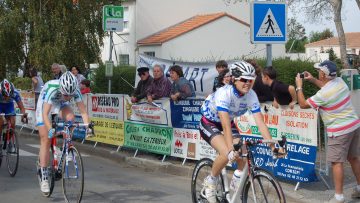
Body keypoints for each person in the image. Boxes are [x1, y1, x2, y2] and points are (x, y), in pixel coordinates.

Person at [200, 61, 277, 203]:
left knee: (241, 157)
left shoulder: (251, 95)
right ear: (234, 79)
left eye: (251, 80)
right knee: (226, 152)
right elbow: (224, 125)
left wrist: (273, 146)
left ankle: (232, 194)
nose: (248, 83)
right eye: (244, 79)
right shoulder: (224, 93)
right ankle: (210, 180)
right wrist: (230, 150)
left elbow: (260, 123)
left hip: (228, 122)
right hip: (210, 122)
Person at [295, 60, 360, 203]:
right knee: (354, 158)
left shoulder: (323, 95)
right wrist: (312, 79)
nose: (318, 73)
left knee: (337, 163)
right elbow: (325, 86)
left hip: (339, 131)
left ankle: (338, 197)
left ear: (323, 75)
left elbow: (303, 104)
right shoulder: (340, 82)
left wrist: (299, 87)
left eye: (319, 71)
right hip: (354, 126)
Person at [35, 71, 91, 195]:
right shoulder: (52, 88)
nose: (69, 97)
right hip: (45, 105)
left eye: (70, 95)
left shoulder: (74, 91)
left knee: (71, 118)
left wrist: (88, 127)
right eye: (66, 95)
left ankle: (65, 146)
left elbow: (83, 112)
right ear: (61, 88)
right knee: (46, 139)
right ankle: (44, 177)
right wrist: (50, 129)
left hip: (59, 104)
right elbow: (45, 114)